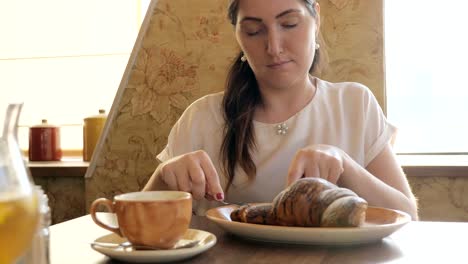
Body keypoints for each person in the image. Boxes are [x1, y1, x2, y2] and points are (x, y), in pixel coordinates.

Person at [143, 0, 418, 220]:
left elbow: (408, 216)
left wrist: (346, 165)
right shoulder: (202, 117)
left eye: (289, 24)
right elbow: (140, 227)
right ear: (238, 36)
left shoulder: (354, 104)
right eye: (253, 31)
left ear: (316, 19)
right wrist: (163, 177)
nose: (273, 47)